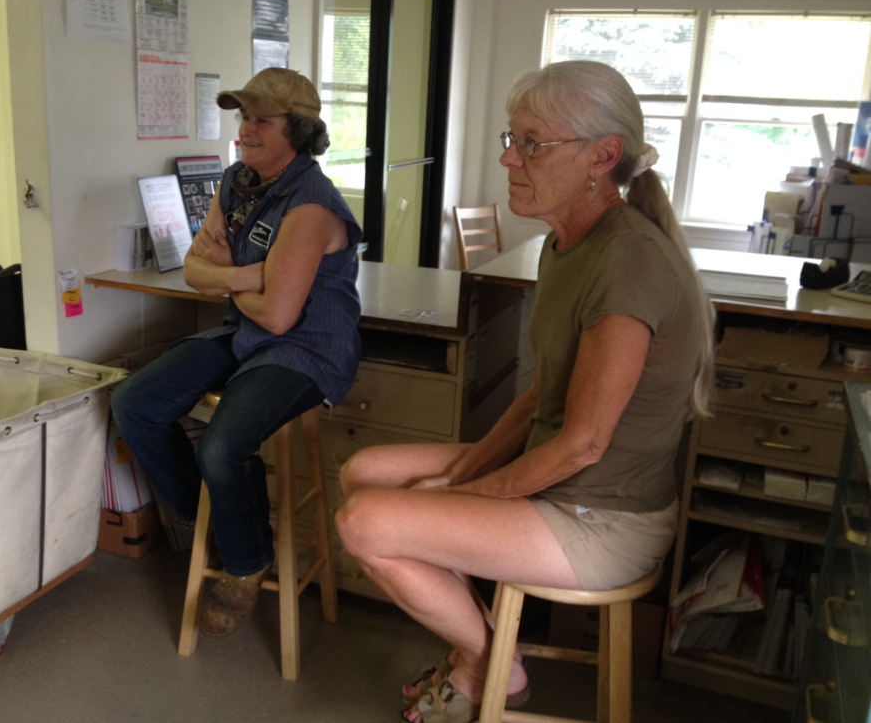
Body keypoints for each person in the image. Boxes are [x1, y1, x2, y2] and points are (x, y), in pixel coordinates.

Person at [334, 60, 714, 723]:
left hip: (604, 519)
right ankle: (484, 653)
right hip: (560, 479)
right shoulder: (565, 245)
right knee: (363, 471)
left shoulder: (628, 261)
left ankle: (488, 664)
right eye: (510, 139)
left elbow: (583, 445)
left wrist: (463, 493)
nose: (510, 157)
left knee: (364, 523)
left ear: (603, 156)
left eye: (531, 142)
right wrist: (470, 468)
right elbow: (544, 398)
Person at [112, 68, 362, 638]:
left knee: (223, 445)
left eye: (261, 120)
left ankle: (246, 562)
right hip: (246, 331)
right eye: (243, 118)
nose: (246, 130)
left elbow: (280, 315)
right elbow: (194, 269)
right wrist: (246, 276)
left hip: (307, 346)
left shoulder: (312, 205)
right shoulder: (236, 181)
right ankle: (231, 529)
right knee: (135, 403)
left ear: (296, 131)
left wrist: (226, 276)